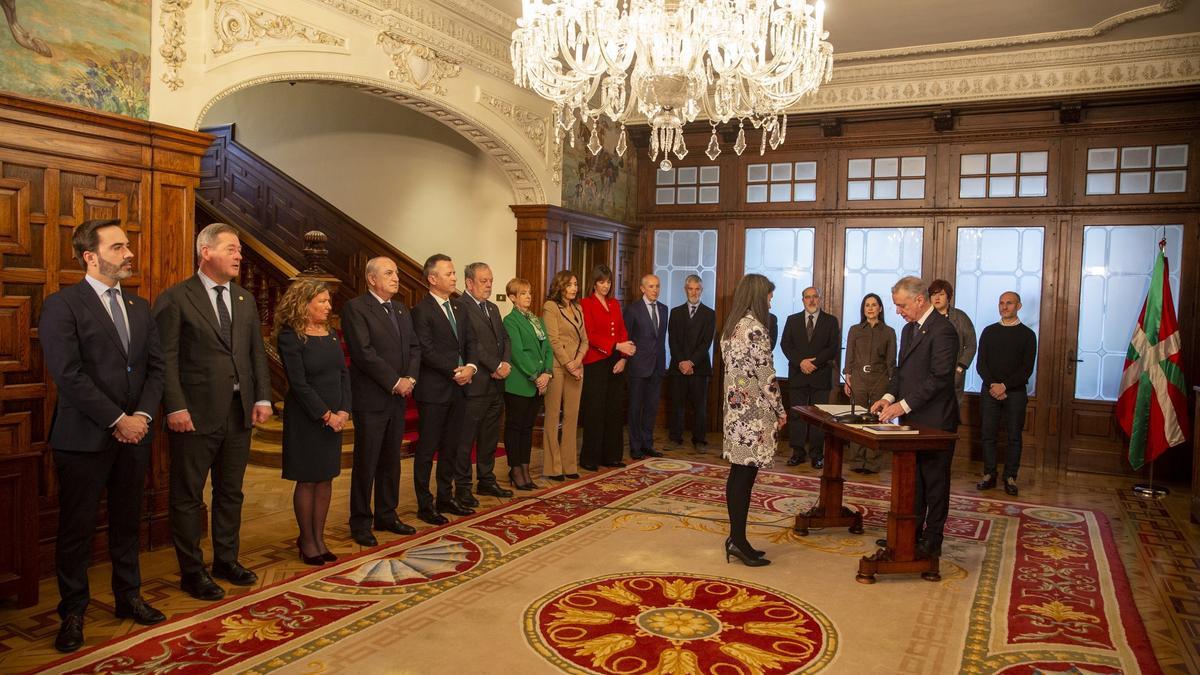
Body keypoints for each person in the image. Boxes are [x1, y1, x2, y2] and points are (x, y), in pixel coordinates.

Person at [40, 219, 166, 653]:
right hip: (83, 438)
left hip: (136, 436)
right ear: (90, 257)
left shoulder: (140, 306)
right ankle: (73, 612)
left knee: (127, 521)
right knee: (76, 529)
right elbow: (68, 374)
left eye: (128, 246)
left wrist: (142, 416)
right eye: (118, 247)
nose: (129, 254)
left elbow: (155, 369)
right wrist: (117, 419)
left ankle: (128, 597)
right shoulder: (62, 305)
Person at [154, 223, 271, 601]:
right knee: (188, 496)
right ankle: (192, 572)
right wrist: (175, 406)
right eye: (231, 249)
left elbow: (255, 353)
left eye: (239, 250)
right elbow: (165, 359)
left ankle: (226, 560)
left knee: (230, 492)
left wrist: (262, 397)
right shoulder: (176, 298)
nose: (239, 256)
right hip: (193, 415)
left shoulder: (245, 299)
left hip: (238, 412)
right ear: (206, 252)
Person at [870, 276, 960, 559]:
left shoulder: (944, 331)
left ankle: (932, 540)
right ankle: (911, 534)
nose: (898, 311)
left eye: (902, 305)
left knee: (934, 483)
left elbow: (939, 378)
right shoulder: (909, 329)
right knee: (913, 481)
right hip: (913, 418)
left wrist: (902, 406)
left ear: (919, 300)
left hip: (936, 421)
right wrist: (888, 397)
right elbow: (902, 371)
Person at [341, 257, 420, 547]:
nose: (396, 278)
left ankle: (387, 514)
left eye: (396, 273)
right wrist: (394, 381)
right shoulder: (356, 308)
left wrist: (410, 378)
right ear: (372, 279)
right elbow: (363, 352)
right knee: (367, 462)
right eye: (389, 273)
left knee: (391, 460)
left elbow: (414, 347)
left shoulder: (401, 309)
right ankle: (361, 521)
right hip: (372, 398)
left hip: (399, 397)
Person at [273, 279, 350, 566]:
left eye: (329, 301)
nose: (329, 306)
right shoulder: (290, 337)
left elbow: (343, 374)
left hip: (335, 417)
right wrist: (326, 415)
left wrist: (344, 410)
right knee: (307, 479)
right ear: (304, 304)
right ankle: (307, 541)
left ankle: (319, 538)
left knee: (326, 477)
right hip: (307, 418)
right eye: (322, 301)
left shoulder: (331, 334)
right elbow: (298, 384)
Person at [720, 274, 786, 567]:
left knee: (738, 475)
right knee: (744, 479)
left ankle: (738, 539)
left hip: (735, 413)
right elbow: (766, 377)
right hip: (753, 417)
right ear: (759, 296)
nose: (770, 302)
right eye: (769, 296)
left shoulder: (732, 327)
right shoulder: (756, 329)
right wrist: (781, 410)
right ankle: (738, 541)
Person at [410, 253, 477, 524]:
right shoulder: (421, 310)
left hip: (460, 388)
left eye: (454, 273)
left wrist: (470, 367)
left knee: (452, 447)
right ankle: (425, 504)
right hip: (434, 390)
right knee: (427, 450)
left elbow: (471, 342)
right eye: (448, 274)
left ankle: (445, 497)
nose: (454, 278)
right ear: (432, 278)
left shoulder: (460, 307)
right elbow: (426, 350)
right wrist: (455, 371)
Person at [455, 262, 514, 500]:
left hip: (496, 385)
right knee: (466, 439)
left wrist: (505, 363)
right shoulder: (460, 306)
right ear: (469, 283)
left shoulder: (492, 307)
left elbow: (505, 339)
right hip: (476, 383)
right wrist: (495, 366)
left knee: (490, 437)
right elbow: (472, 344)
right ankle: (463, 487)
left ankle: (487, 480)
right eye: (483, 281)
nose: (489, 285)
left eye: (490, 280)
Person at [976, 291, 1037, 496]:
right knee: (988, 434)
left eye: (1009, 303)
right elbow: (981, 364)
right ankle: (989, 474)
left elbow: (1026, 368)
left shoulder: (1028, 335)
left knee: (1014, 436)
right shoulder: (988, 331)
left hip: (1015, 392)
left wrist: (1004, 386)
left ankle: (1010, 476)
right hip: (989, 390)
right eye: (1001, 303)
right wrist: (994, 385)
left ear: (1018, 306)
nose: (1004, 306)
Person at [579, 264, 636, 470]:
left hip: (615, 363)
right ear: (594, 283)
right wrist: (616, 346)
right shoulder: (585, 303)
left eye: (608, 282)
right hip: (595, 363)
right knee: (595, 411)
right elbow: (590, 334)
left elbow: (622, 331)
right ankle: (590, 458)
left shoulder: (614, 303)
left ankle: (611, 456)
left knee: (613, 410)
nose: (605, 286)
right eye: (601, 282)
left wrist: (623, 358)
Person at [781, 287, 840, 469]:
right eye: (808, 297)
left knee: (818, 417)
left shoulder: (830, 321)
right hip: (798, 374)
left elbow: (833, 347)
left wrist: (814, 363)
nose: (811, 300)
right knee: (797, 416)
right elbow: (785, 344)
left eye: (815, 297)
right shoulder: (792, 320)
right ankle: (797, 453)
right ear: (803, 300)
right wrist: (801, 362)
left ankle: (817, 454)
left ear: (819, 299)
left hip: (820, 375)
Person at [503, 278, 553, 489]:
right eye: (523, 293)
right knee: (515, 427)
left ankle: (525, 468)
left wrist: (547, 373)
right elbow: (517, 353)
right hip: (519, 384)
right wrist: (535, 375)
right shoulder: (510, 321)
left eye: (529, 293)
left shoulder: (537, 320)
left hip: (538, 383)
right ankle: (515, 470)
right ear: (512, 298)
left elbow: (548, 348)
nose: (528, 297)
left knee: (527, 428)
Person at [843, 293, 897, 474]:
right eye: (867, 305)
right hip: (858, 379)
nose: (871, 308)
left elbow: (891, 361)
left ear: (880, 308)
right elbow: (849, 356)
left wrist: (892, 387)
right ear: (863, 309)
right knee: (857, 419)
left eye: (874, 305)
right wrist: (848, 378)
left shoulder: (889, 332)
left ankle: (872, 462)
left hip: (880, 380)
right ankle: (857, 461)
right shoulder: (855, 330)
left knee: (875, 420)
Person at [541, 270, 588, 480]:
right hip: (558, 367)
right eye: (569, 284)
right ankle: (552, 468)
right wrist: (569, 364)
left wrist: (577, 362)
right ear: (560, 286)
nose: (574, 288)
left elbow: (585, 340)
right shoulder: (551, 307)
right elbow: (553, 339)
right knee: (553, 416)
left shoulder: (578, 308)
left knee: (572, 416)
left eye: (576, 284)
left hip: (576, 367)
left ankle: (569, 465)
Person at [668, 274, 716, 450]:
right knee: (677, 405)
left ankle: (699, 440)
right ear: (685, 290)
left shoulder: (709, 314)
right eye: (691, 289)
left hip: (699, 367)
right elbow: (672, 340)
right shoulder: (675, 312)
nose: (694, 292)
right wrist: (682, 362)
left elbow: (706, 343)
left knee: (699, 407)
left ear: (702, 290)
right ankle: (675, 438)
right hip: (678, 367)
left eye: (697, 289)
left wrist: (691, 362)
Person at [623, 274, 668, 459]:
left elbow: (660, 340)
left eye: (657, 286)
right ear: (642, 289)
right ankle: (635, 447)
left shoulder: (664, 309)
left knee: (651, 408)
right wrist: (625, 360)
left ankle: (647, 444)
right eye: (651, 286)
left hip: (657, 367)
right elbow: (627, 338)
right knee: (635, 409)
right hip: (637, 367)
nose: (655, 290)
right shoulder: (633, 309)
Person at [928, 279, 977, 403]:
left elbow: (971, 345)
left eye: (941, 294)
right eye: (933, 294)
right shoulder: (926, 318)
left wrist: (960, 368)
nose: (937, 298)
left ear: (948, 297)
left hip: (954, 372)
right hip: (929, 373)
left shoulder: (960, 317)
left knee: (952, 408)